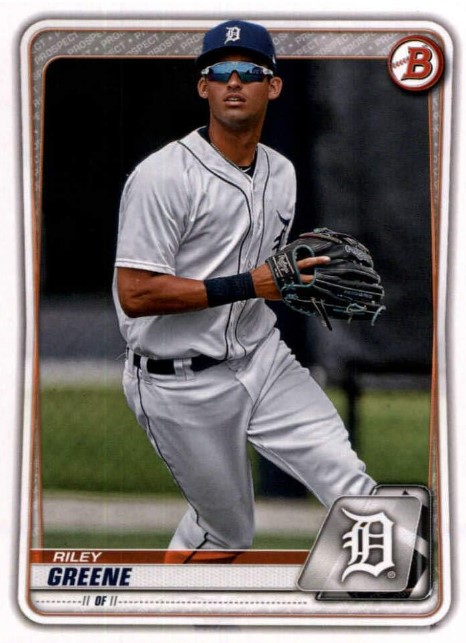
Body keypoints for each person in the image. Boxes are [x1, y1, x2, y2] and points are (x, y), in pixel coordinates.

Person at [113, 19, 375, 561]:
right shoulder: (163, 177)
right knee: (225, 533)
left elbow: (258, 275)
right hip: (180, 383)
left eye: (250, 72)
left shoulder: (282, 173)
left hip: (262, 357)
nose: (235, 81)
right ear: (203, 86)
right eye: (221, 71)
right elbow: (136, 294)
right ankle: (162, 606)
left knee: (350, 483)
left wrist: (283, 285)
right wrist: (250, 283)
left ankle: (402, 599)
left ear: (273, 86)